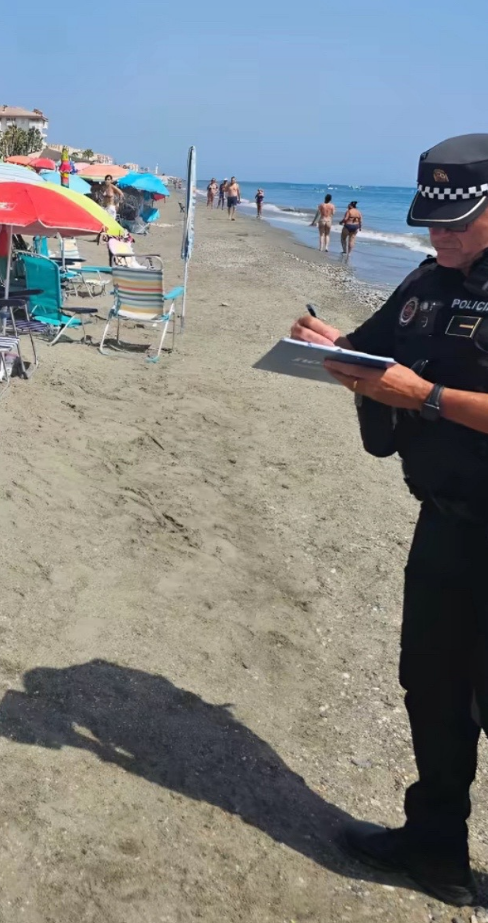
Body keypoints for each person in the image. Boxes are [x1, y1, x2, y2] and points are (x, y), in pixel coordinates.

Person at [289, 133, 488, 907]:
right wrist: (332, 352)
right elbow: (374, 359)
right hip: (442, 525)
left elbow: (415, 389)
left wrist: (428, 398)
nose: (441, 237)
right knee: (430, 686)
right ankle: (435, 846)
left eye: (459, 222)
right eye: (432, 222)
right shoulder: (422, 281)